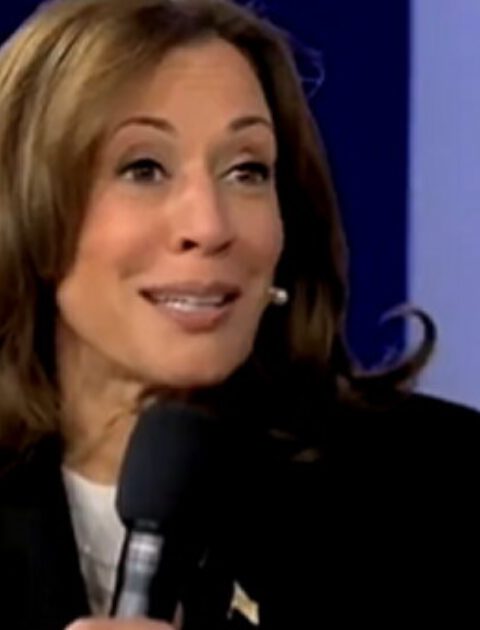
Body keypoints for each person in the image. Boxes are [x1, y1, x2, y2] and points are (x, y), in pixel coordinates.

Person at [0, 0, 478, 628]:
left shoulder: (447, 487)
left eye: (247, 171)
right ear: (24, 211)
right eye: (143, 168)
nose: (209, 225)